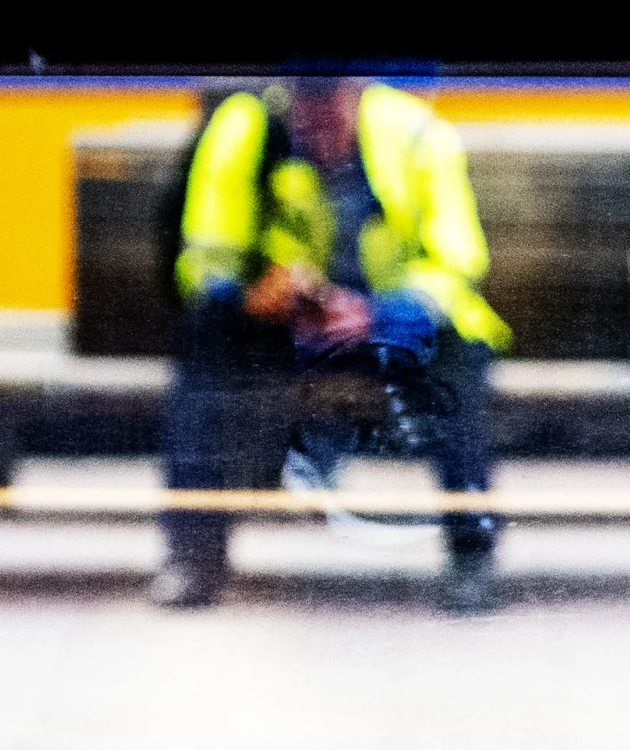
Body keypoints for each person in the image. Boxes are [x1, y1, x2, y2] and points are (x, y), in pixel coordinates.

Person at [151, 72, 513, 613]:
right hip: (285, 331)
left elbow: (457, 263)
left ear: (357, 91)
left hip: (394, 327)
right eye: (304, 108)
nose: (316, 124)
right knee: (207, 351)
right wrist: (254, 295)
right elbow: (204, 259)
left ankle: (472, 550)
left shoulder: (415, 134)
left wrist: (378, 315)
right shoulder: (245, 130)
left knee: (454, 364)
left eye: (330, 106)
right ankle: (193, 553)